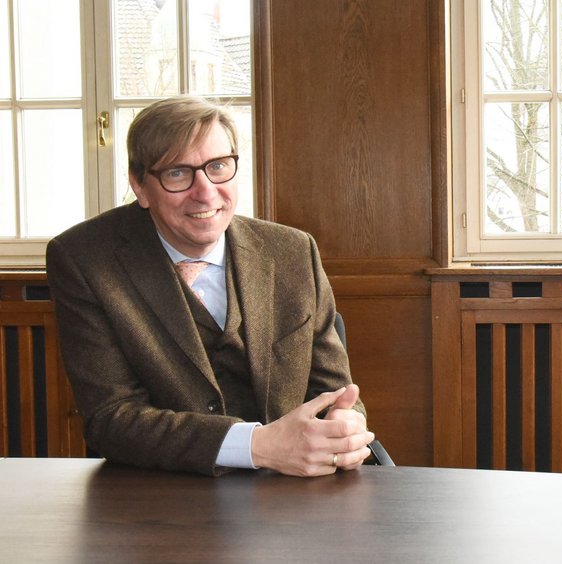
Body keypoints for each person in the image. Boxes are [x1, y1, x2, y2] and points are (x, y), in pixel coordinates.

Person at [46, 96, 375, 477]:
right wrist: (256, 446)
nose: (205, 192)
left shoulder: (292, 251)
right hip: (162, 493)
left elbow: (334, 394)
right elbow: (111, 418)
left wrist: (344, 428)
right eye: (177, 173)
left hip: (292, 487)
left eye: (218, 166)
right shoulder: (85, 259)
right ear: (140, 186)